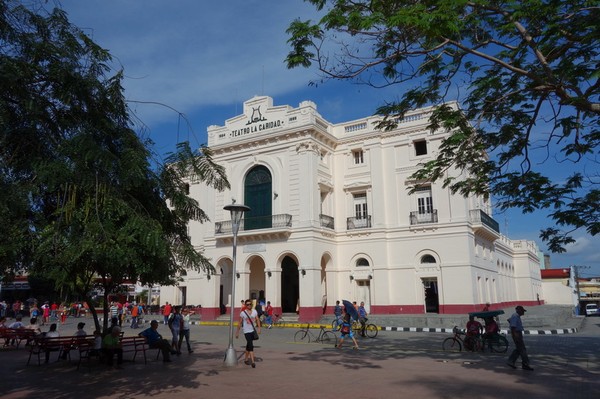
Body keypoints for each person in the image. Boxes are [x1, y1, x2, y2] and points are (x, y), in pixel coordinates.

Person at [507, 305, 533, 371]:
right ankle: (525, 364)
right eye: (522, 311)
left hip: (517, 333)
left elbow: (509, 320)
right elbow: (513, 327)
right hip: (517, 334)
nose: (523, 313)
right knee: (522, 350)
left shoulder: (515, 316)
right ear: (519, 310)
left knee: (519, 349)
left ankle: (511, 361)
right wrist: (515, 336)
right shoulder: (515, 316)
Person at [235, 299, 261, 368]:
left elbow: (257, 319)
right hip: (246, 331)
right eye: (247, 304)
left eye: (250, 304)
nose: (249, 305)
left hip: (253, 330)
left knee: (248, 345)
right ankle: (253, 362)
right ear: (245, 305)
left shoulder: (254, 311)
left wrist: (259, 328)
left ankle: (246, 359)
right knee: (251, 345)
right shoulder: (243, 313)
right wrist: (237, 332)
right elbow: (239, 323)